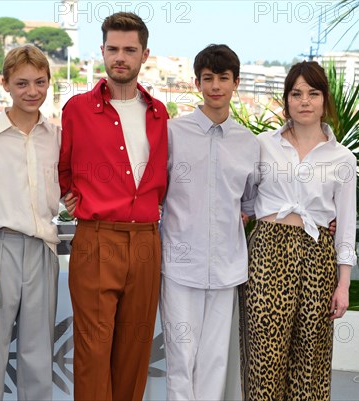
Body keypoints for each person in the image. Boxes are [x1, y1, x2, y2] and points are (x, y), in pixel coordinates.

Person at [59, 12, 169, 401]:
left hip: (145, 243)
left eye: (129, 50)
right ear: (102, 51)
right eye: (113, 49)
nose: (120, 57)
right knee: (92, 351)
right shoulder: (77, 109)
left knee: (134, 353)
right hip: (97, 239)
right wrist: (73, 196)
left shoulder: (159, 114)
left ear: (144, 55)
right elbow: (64, 169)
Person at [239, 60, 357, 401]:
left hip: (317, 255)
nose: (304, 101)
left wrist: (344, 284)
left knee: (311, 361)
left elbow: (346, 225)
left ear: (325, 100)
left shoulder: (343, 159)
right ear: (287, 99)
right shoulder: (262, 144)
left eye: (313, 93)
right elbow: (245, 200)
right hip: (267, 253)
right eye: (296, 93)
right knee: (264, 359)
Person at [159, 44, 259, 401]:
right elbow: (157, 193)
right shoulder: (172, 133)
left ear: (236, 82)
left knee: (216, 361)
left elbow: (249, 202)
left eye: (223, 78)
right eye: (208, 78)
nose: (215, 86)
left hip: (227, 269)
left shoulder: (249, 143)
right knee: (181, 360)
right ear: (197, 82)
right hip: (180, 266)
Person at [0, 44, 61, 401]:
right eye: (22, 83)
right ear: (5, 84)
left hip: (43, 249)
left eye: (40, 82)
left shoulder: (57, 137)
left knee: (38, 353)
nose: (32, 91)